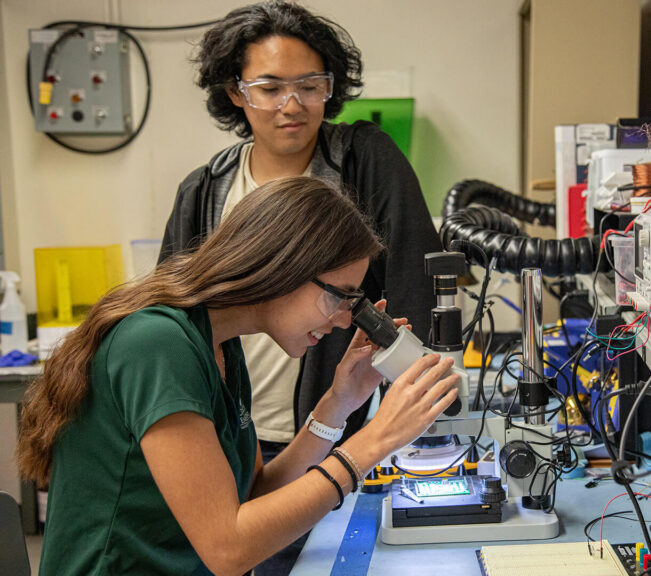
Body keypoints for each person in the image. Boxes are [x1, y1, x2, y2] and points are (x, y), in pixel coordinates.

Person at [18, 177, 458, 575]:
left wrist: (339, 403)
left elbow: (254, 495)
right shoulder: (156, 344)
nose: (345, 321)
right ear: (281, 266)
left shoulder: (220, 346)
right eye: (340, 297)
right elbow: (229, 549)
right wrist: (376, 440)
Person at [159, 0, 440, 483]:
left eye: (310, 86)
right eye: (270, 88)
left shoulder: (362, 162)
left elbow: (416, 282)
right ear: (236, 92)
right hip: (230, 430)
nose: (292, 105)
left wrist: (415, 405)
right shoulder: (205, 190)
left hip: (333, 424)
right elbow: (175, 316)